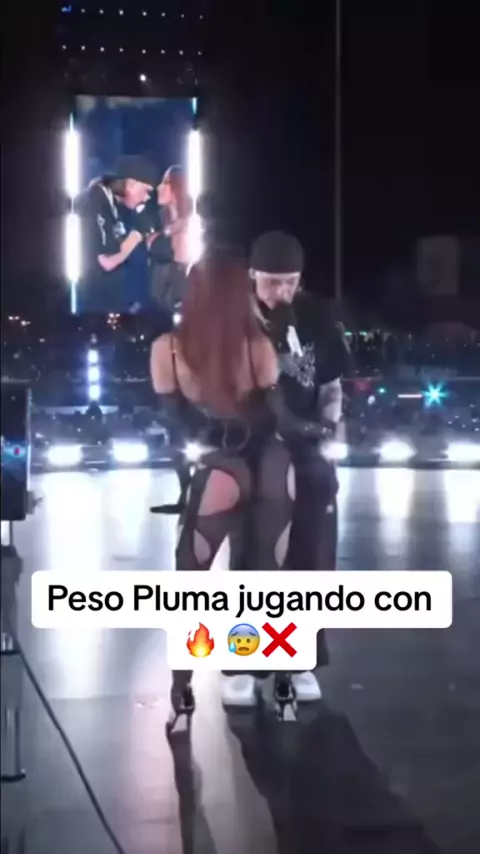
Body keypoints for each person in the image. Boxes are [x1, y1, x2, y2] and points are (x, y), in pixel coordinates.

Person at [150, 248, 296, 709]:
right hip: (270, 464)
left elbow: (176, 422)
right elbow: (280, 418)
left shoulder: (168, 349)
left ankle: (182, 686)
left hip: (221, 467)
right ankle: (275, 676)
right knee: (266, 576)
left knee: (190, 576)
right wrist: (320, 430)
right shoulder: (258, 346)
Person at [231, 230, 352, 703]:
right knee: (252, 555)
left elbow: (331, 385)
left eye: (290, 282)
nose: (281, 292)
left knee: (311, 553)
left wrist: (332, 429)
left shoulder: (317, 316)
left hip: (307, 447)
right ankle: (243, 661)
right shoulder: (234, 319)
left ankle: (300, 657)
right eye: (271, 282)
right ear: (252, 277)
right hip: (250, 445)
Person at [75, 155, 158, 314]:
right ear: (131, 184)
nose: (147, 198)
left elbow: (117, 248)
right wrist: (138, 233)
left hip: (102, 301)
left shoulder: (114, 204)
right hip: (93, 305)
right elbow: (107, 262)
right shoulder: (97, 198)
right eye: (146, 191)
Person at [146, 165, 193, 316]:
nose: (159, 187)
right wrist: (169, 231)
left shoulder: (192, 223)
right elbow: (150, 244)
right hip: (160, 299)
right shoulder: (160, 219)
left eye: (165, 183)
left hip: (183, 294)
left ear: (178, 186)